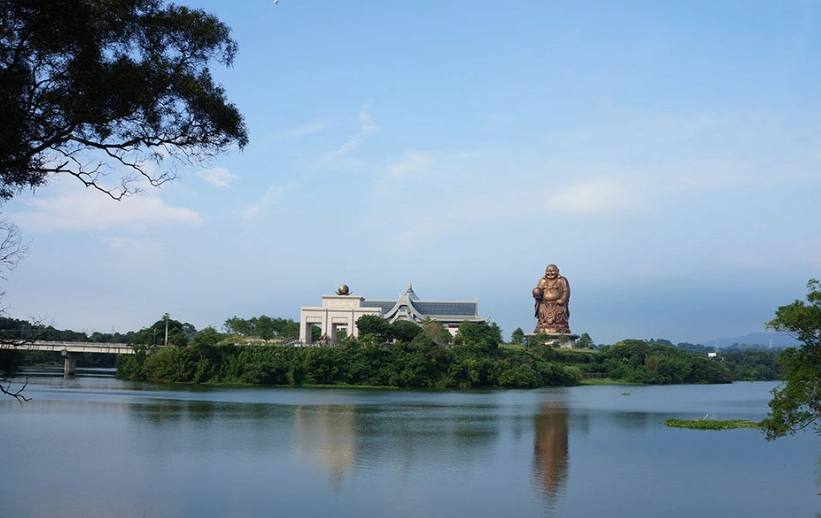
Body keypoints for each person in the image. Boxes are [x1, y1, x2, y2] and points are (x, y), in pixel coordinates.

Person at [533, 264, 571, 334]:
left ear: (558, 271)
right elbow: (539, 289)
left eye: (553, 271)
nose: (550, 273)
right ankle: (542, 323)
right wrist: (537, 294)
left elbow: (566, 291)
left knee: (559, 312)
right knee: (542, 311)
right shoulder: (543, 281)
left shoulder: (562, 280)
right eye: (548, 271)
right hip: (544, 304)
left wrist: (563, 298)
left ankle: (559, 324)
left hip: (557, 304)